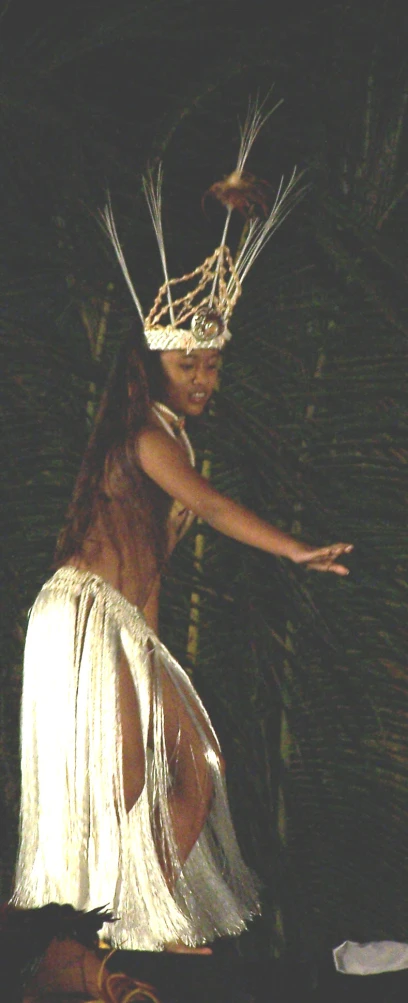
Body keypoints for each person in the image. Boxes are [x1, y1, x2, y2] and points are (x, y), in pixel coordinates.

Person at [12, 98, 352, 953]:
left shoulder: (167, 437)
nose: (204, 376)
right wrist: (296, 547)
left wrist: (156, 658)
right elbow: (210, 504)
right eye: (188, 362)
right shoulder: (145, 439)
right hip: (86, 615)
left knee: (197, 764)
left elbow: (156, 563)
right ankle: (126, 927)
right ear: (153, 363)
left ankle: (145, 916)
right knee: (133, 777)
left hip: (123, 624)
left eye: (212, 363)